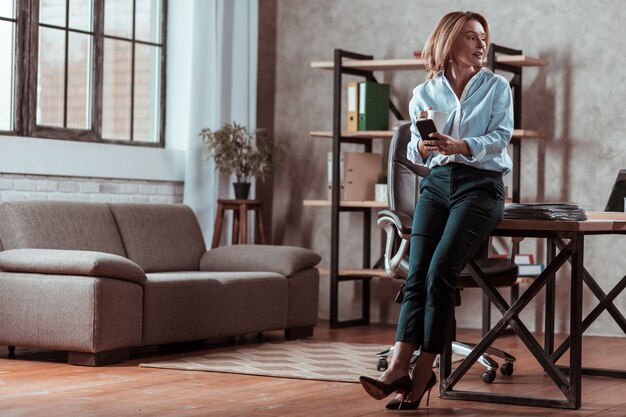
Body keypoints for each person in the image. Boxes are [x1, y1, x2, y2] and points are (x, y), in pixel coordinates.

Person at [359, 11, 512, 410]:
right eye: (470, 37)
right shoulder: (424, 94)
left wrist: (461, 146)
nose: (481, 45)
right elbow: (413, 148)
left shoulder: (497, 87)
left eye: (483, 37)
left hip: (480, 187)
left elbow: (499, 139)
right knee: (418, 272)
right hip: (437, 185)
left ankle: (424, 370)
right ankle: (396, 367)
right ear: (449, 44)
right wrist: (424, 146)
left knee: (442, 269)